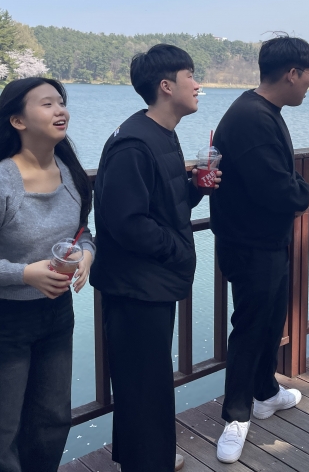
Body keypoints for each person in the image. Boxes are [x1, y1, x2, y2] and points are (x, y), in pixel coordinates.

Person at [90, 44, 217, 472]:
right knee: (145, 387)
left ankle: (145, 457)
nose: (198, 85)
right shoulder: (133, 143)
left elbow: (163, 204)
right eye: (190, 76)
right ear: (166, 86)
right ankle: (149, 460)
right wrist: (176, 249)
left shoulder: (162, 133)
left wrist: (196, 187)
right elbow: (126, 222)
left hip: (151, 282)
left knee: (146, 383)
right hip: (135, 287)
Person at [0, 78, 95, 472]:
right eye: (47, 104)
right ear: (17, 121)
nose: (60, 110)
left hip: (57, 315)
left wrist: (87, 255)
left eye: (61, 102)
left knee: (52, 421)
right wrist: (24, 274)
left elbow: (82, 232)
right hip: (4, 321)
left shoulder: (70, 172)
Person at [209, 35, 309, 464]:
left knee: (271, 320)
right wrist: (304, 192)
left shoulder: (261, 111)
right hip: (249, 244)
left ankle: (266, 392)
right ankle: (236, 416)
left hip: (267, 241)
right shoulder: (252, 118)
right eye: (308, 76)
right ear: (292, 73)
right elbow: (277, 188)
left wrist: (294, 191)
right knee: (251, 327)